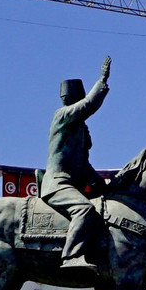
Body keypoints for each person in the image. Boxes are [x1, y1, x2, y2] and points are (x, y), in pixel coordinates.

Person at [40, 55, 111, 274]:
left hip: (75, 183)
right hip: (58, 183)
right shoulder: (62, 116)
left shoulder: (80, 129)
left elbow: (84, 164)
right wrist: (101, 80)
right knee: (84, 209)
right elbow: (89, 105)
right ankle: (71, 256)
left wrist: (104, 185)